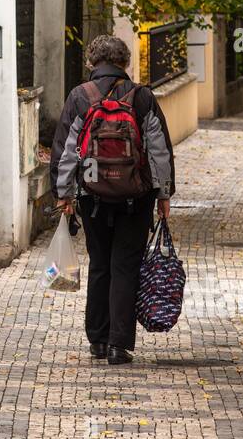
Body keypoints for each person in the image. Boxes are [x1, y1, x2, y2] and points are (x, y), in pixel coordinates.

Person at [49, 35, 175, 365]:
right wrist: (163, 193)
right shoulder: (142, 97)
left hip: (92, 195)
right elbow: (159, 150)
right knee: (125, 265)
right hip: (136, 197)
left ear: (91, 62)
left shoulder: (80, 97)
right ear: (125, 63)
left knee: (100, 264)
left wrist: (64, 194)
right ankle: (121, 344)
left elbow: (66, 151)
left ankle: (98, 340)